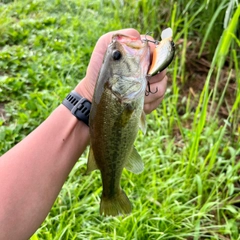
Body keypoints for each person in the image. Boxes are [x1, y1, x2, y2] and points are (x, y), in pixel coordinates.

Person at [0, 28, 168, 240]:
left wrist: (86, 96)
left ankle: (111, 190)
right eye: (117, 56)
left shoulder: (118, 91)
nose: (120, 49)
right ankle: (111, 193)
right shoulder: (118, 93)